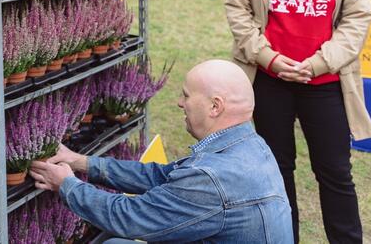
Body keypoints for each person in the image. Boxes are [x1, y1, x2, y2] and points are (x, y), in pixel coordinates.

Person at [225, 0, 371, 243]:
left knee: (335, 173)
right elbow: (237, 11)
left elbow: (357, 19)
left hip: (323, 84)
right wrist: (270, 59)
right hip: (269, 81)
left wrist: (320, 63)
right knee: (276, 171)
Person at [28, 59, 293, 243]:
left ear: (215, 107)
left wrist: (66, 185)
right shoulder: (249, 146)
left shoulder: (212, 178)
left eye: (186, 96)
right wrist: (82, 162)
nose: (179, 103)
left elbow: (128, 218)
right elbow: (160, 176)